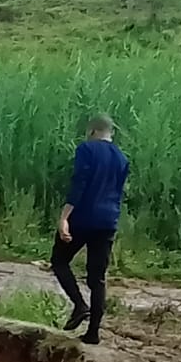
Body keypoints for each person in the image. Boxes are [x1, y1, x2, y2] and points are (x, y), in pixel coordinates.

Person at [54, 115, 129, 343]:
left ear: (92, 130)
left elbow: (80, 183)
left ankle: (79, 305)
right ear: (111, 132)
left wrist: (64, 217)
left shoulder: (86, 149)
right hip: (108, 221)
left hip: (83, 218)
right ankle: (93, 332)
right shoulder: (122, 158)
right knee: (98, 278)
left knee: (59, 261)